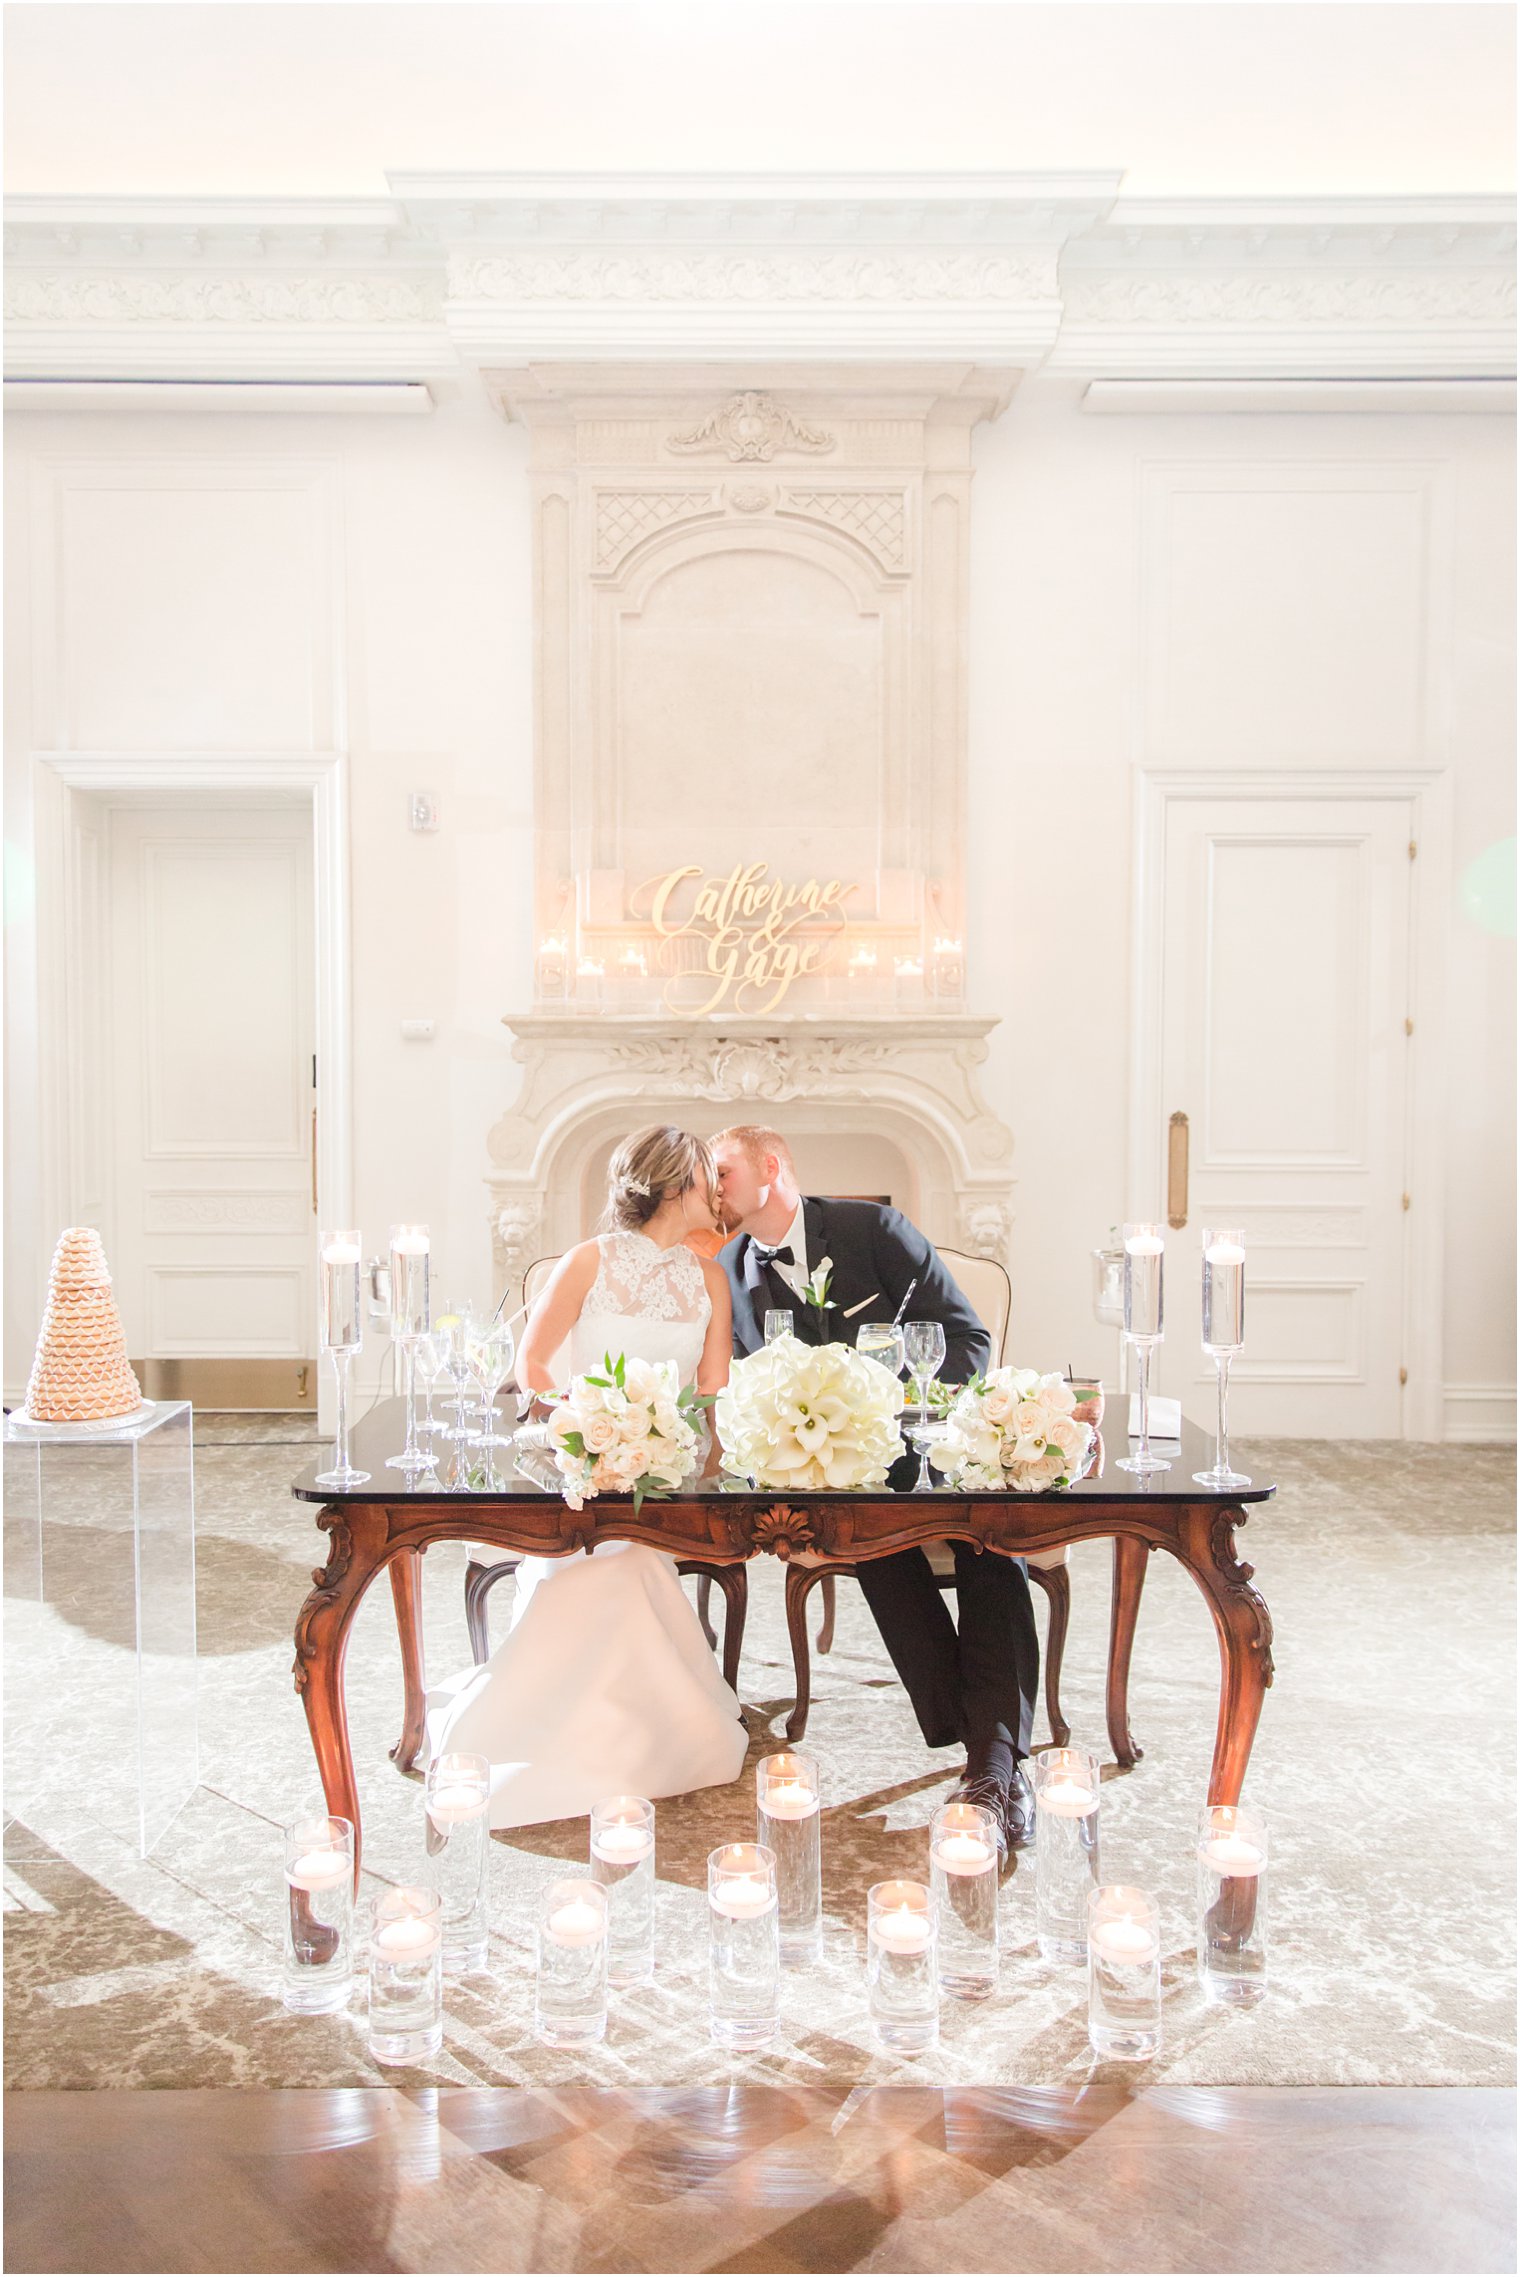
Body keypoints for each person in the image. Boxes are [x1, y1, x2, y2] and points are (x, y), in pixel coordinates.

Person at [712, 1123, 1038, 1860]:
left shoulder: (874, 1228)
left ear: (771, 1167)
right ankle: (991, 1750)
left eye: (724, 1169)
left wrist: (899, 1403)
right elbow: (742, 1383)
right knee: (863, 1531)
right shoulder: (728, 1268)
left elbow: (968, 1342)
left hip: (934, 1444)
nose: (712, 1185)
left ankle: (991, 1763)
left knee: (994, 1530)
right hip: (835, 1474)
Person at [424, 1126, 746, 1828]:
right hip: (584, 1463)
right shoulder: (586, 1260)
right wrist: (591, 1424)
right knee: (609, 1554)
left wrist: (689, 1458)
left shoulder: (712, 1278)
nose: (717, 1189)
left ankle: (636, 1734)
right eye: (705, 1176)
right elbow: (531, 1365)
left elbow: (715, 1392)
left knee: (634, 1549)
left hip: (665, 1473)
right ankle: (593, 1738)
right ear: (672, 1187)